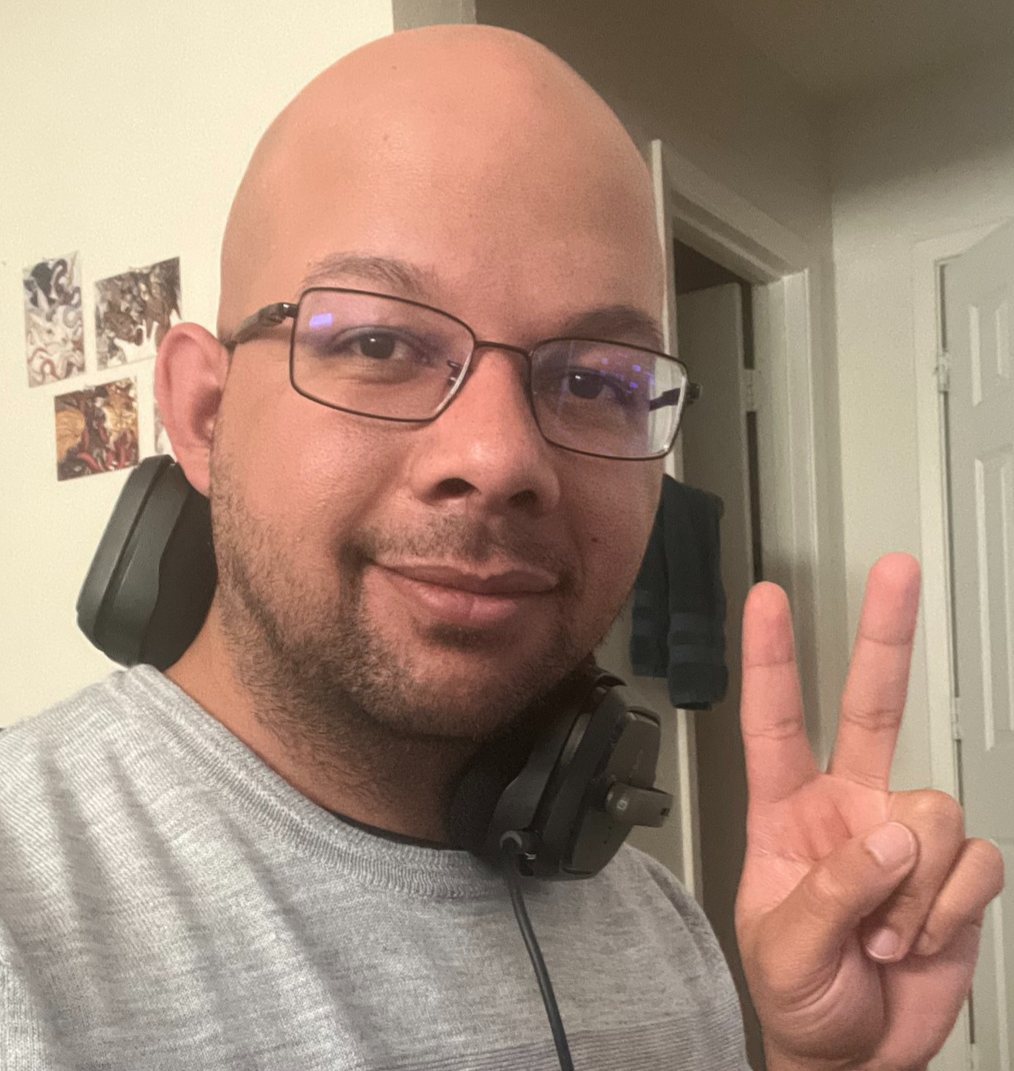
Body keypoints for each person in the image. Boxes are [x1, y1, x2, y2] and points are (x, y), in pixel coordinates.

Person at [0, 24, 1002, 1071]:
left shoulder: (665, 930)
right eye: (379, 342)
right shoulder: (24, 931)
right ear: (204, 415)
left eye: (594, 380)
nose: (498, 456)